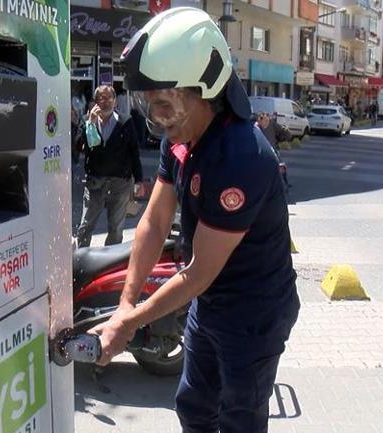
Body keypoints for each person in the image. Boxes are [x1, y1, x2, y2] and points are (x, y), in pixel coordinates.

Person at [89, 8, 299, 433]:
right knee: (195, 408)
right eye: (150, 104)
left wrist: (128, 323)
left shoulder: (241, 157)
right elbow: (154, 219)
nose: (156, 117)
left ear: (203, 91)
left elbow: (200, 271)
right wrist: (126, 303)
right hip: (209, 302)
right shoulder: (181, 133)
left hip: (253, 312)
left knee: (240, 418)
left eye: (164, 103)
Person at [74, 84, 144, 248]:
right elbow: (78, 146)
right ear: (95, 101)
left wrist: (139, 180)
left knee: (116, 229)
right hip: (95, 183)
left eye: (109, 98)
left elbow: (134, 151)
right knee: (86, 227)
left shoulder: (126, 121)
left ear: (115, 101)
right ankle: (81, 263)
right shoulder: (87, 120)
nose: (105, 102)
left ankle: (109, 264)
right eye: (101, 98)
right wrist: (89, 123)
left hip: (120, 183)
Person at [256, 112, 292, 188]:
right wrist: (285, 135)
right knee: (281, 166)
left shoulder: (253, 125)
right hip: (271, 149)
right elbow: (285, 133)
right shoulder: (271, 123)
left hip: (258, 150)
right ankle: (285, 183)